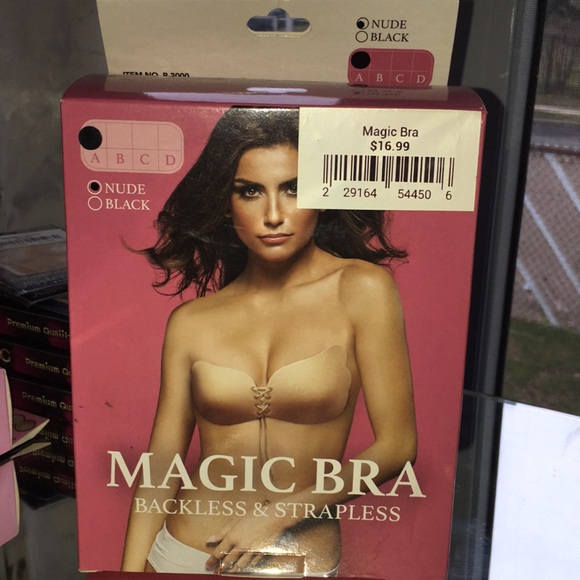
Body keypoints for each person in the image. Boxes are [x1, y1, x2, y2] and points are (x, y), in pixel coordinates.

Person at [120, 107, 417, 576]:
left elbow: (397, 446)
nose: (274, 215)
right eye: (250, 191)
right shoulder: (190, 323)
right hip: (181, 554)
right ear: (226, 202)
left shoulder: (362, 290)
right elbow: (159, 471)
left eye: (293, 188)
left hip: (298, 560)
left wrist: (279, 515)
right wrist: (127, 575)